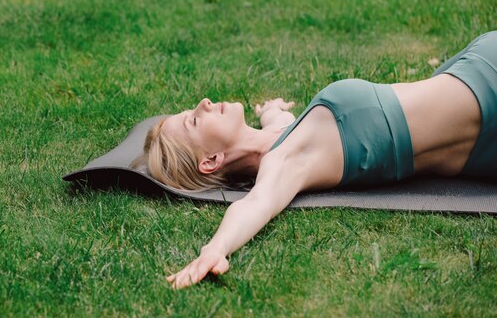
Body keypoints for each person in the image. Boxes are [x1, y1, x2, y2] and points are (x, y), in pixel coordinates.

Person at [136, 31, 497, 289]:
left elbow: (279, 124)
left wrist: (271, 111)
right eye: (195, 120)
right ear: (211, 161)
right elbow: (254, 205)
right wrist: (214, 248)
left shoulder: (283, 135)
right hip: (487, 94)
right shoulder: (286, 162)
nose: (203, 102)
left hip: (473, 86)